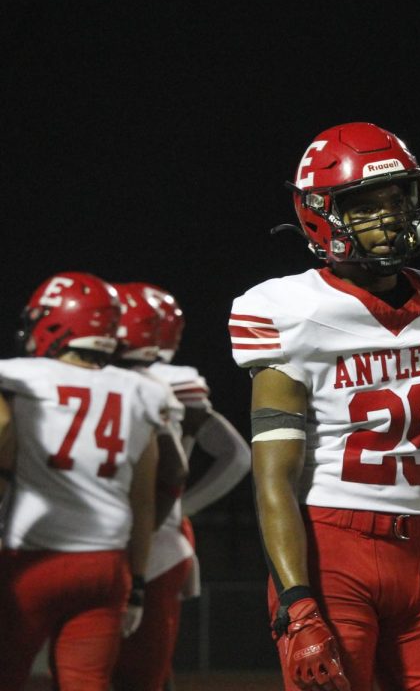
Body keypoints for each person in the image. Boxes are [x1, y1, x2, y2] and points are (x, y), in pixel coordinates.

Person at [230, 122, 420, 691]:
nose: (391, 217)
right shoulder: (285, 312)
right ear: (321, 214)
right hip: (329, 555)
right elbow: (273, 483)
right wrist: (297, 605)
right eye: (366, 206)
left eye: (398, 199)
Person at [0, 272, 172, 690]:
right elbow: (143, 499)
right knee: (87, 682)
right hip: (106, 565)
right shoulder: (140, 391)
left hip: (32, 558)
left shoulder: (18, 376)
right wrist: (138, 583)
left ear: (57, 320)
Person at [108, 282, 250, 691]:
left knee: (133, 670)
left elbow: (237, 456)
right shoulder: (158, 382)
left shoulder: (167, 385)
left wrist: (179, 509)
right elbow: (237, 456)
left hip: (147, 541)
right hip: (132, 537)